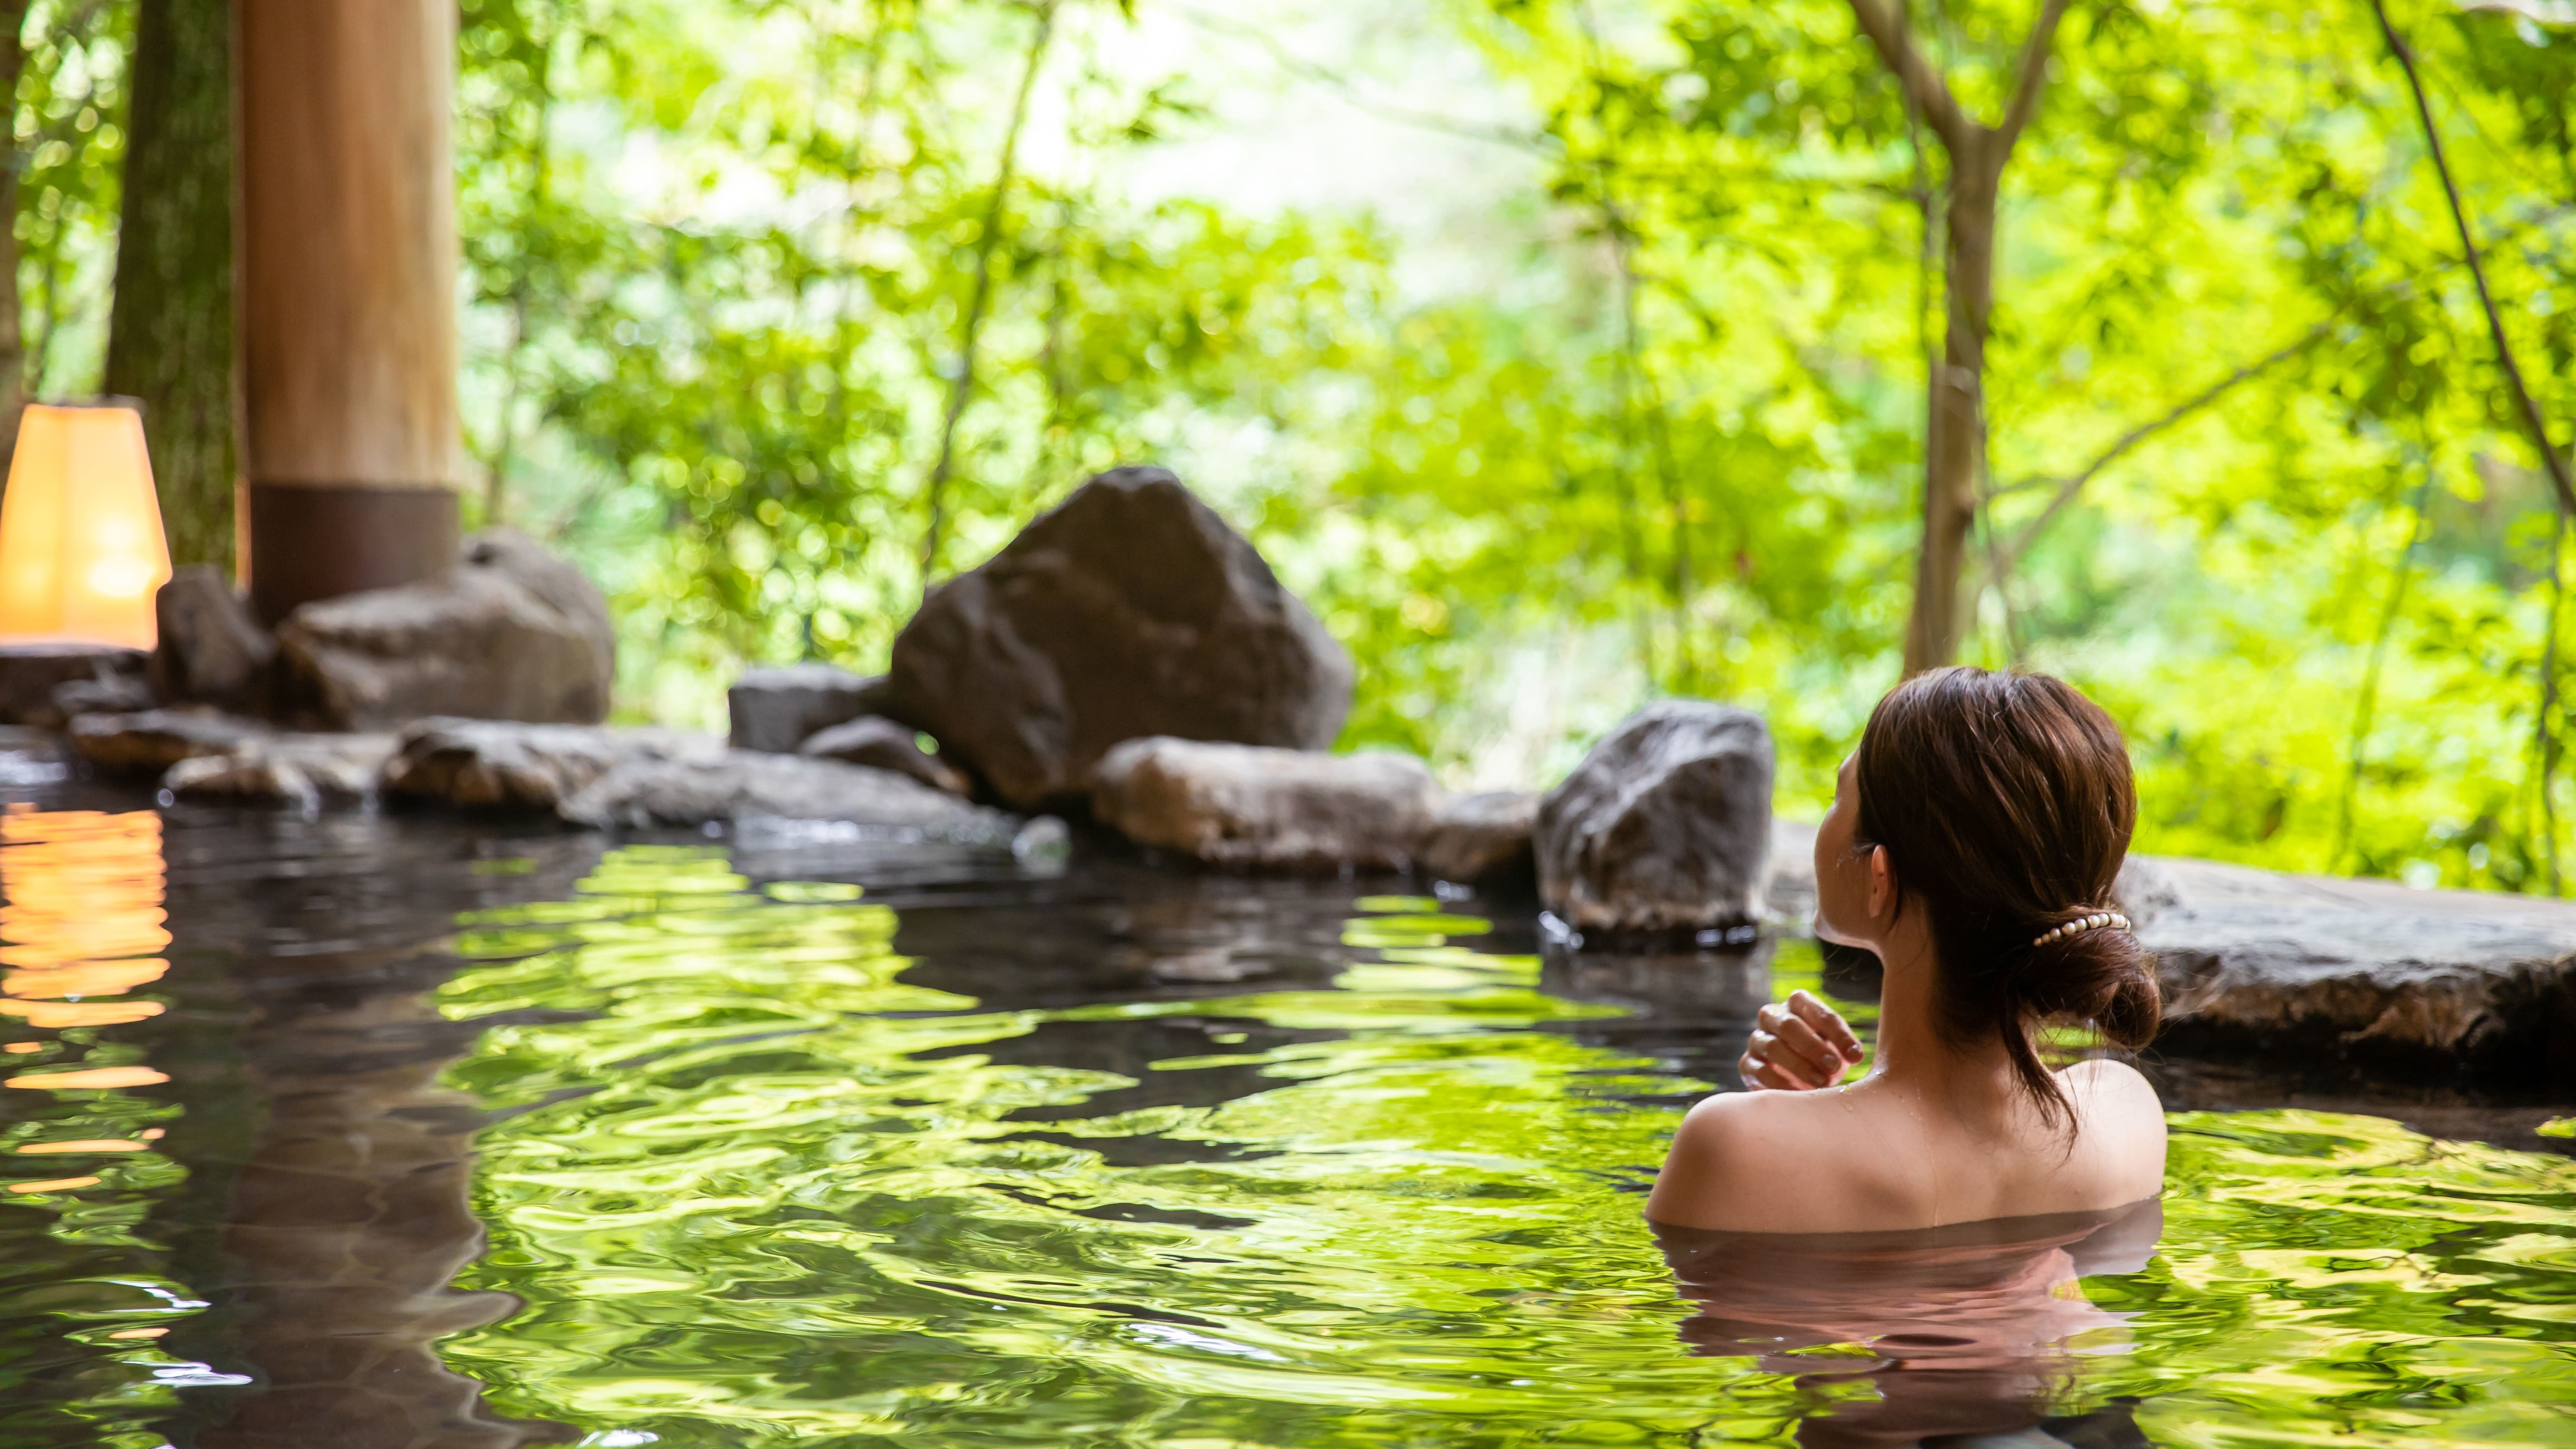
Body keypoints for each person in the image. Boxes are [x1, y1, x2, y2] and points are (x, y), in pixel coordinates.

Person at [1648, 667, 2167, 1234]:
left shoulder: (1732, 1145)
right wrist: (1808, 1114)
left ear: (1879, 876)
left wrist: (1787, 1125)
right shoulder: (2124, 1115)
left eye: (1836, 795)